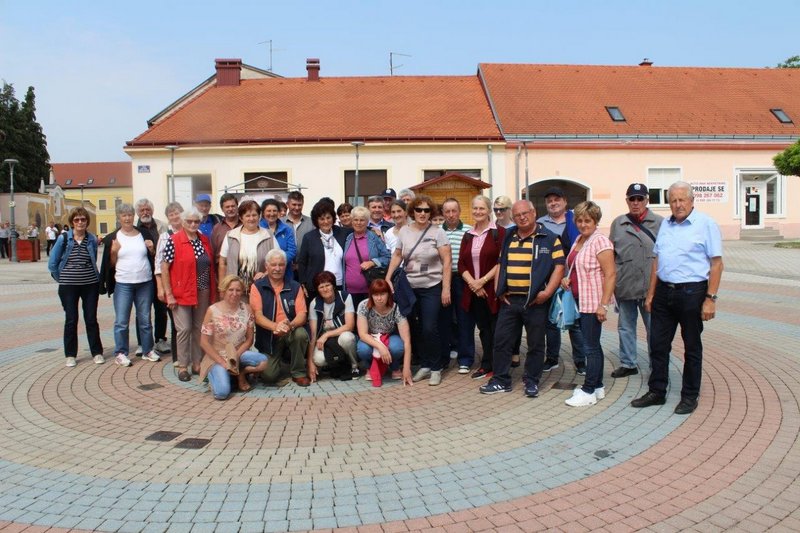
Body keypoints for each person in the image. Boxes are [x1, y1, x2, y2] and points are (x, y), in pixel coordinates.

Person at [632, 182, 723, 415]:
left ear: (692, 201)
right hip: (664, 292)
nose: (678, 204)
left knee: (691, 346)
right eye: (673, 200)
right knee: (658, 345)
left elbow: (716, 264)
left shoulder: (706, 225)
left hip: (692, 292)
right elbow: (657, 260)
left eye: (682, 200)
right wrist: (651, 294)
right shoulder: (666, 225)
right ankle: (657, 391)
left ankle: (689, 395)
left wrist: (710, 298)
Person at [479, 200, 564, 398]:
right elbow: (501, 263)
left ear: (534, 213)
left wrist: (547, 293)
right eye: (517, 215)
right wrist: (499, 290)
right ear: (513, 217)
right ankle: (500, 380)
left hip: (536, 302)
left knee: (536, 344)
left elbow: (559, 267)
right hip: (510, 301)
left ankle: (532, 381)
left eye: (525, 213)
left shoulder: (550, 238)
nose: (522, 217)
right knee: (501, 341)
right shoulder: (509, 236)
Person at [385, 194, 452, 386]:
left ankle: (436, 367)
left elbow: (447, 260)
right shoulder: (404, 231)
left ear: (431, 212)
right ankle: (425, 364)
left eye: (426, 210)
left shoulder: (438, 232)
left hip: (432, 286)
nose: (422, 213)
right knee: (414, 327)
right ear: (412, 211)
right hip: (409, 287)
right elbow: (397, 255)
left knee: (430, 327)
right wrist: (388, 277)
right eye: (419, 210)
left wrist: (446, 288)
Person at [562, 201, 616, 407]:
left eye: (588, 220)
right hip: (580, 300)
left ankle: (588, 390)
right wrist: (567, 279)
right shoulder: (580, 239)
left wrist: (604, 305)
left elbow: (611, 275)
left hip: (593, 302)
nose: (583, 224)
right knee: (592, 344)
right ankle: (598, 385)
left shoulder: (600, 242)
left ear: (595, 221)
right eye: (579, 220)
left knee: (590, 347)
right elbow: (576, 267)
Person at [609, 183, 664, 378]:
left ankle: (657, 365)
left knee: (654, 329)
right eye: (632, 198)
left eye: (640, 198)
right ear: (627, 201)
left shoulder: (660, 223)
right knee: (625, 327)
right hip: (625, 285)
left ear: (647, 200)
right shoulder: (618, 223)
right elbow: (611, 254)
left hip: (651, 288)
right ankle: (628, 363)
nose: (636, 202)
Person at [161, 207, 216, 381]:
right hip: (182, 292)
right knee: (184, 329)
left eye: (196, 221)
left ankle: (197, 363)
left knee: (199, 328)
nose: (193, 224)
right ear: (183, 222)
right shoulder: (174, 240)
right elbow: (164, 267)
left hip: (203, 290)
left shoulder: (204, 240)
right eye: (189, 221)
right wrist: (169, 294)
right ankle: (183, 366)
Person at [102, 203, 159, 367]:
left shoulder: (143, 233)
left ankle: (148, 350)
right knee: (121, 321)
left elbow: (153, 256)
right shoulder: (114, 237)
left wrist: (152, 249)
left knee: (145, 319)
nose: (127, 218)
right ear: (119, 218)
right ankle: (121, 353)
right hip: (123, 284)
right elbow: (110, 264)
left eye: (129, 215)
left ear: (134, 216)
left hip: (144, 282)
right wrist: (114, 251)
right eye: (124, 215)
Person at [537, 186, 585, 375]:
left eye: (557, 199)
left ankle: (580, 361)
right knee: (551, 322)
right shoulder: (540, 223)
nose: (553, 203)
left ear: (565, 201)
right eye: (549, 200)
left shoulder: (576, 221)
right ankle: (552, 358)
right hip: (548, 280)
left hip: (572, 280)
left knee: (575, 322)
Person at [48, 207, 104, 367]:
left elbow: (92, 259)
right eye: (77, 220)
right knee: (71, 319)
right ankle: (70, 354)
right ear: (72, 222)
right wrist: (62, 279)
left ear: (87, 221)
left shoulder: (91, 239)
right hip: (68, 286)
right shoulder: (64, 238)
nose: (80, 222)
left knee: (91, 319)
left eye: (83, 219)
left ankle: (97, 352)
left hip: (90, 285)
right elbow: (52, 263)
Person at [459, 195, 505, 380]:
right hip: (475, 291)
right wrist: (473, 283)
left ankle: (499, 366)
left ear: (488, 211)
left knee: (497, 330)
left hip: (492, 290)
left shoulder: (499, 233)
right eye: (475, 208)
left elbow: (502, 261)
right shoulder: (468, 235)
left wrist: (482, 281)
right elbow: (461, 263)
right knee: (484, 329)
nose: (478, 212)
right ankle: (487, 364)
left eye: (482, 208)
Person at [199, 275, 267, 399]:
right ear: (223, 291)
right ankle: (215, 374)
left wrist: (236, 355)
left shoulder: (247, 309)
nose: (234, 293)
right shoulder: (212, 311)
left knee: (263, 361)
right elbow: (204, 342)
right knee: (222, 393)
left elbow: (249, 339)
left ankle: (241, 373)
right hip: (217, 356)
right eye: (230, 290)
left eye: (238, 290)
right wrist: (223, 362)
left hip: (238, 352)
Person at [250, 249, 311, 386]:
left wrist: (290, 325)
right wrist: (276, 326)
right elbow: (258, 316)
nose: (277, 268)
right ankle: (280, 362)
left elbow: (302, 315)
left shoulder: (295, 286)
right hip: (269, 336)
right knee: (269, 377)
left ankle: (298, 373)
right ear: (266, 266)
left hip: (290, 330)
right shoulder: (257, 287)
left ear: (285, 266)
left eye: (281, 265)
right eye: (274, 264)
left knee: (301, 334)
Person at [356, 279, 413, 386]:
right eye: (375, 294)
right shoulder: (363, 305)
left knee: (397, 347)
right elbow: (362, 334)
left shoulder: (396, 308)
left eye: (382, 294)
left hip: (389, 336)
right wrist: (380, 347)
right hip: (370, 337)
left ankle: (395, 366)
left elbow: (407, 340)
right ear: (371, 295)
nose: (379, 298)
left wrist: (407, 368)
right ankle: (370, 367)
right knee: (363, 349)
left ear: (388, 294)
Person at [440, 197, 475, 373]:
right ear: (443, 213)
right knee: (444, 320)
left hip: (463, 280)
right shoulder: (437, 231)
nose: (451, 215)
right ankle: (444, 358)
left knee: (464, 319)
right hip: (442, 280)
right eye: (447, 211)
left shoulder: (469, 231)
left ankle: (465, 359)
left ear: (459, 212)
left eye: (454, 211)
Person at [307, 271, 360, 382]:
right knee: (319, 360)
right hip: (326, 342)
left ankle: (354, 366)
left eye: (328, 285)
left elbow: (350, 326)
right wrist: (310, 363)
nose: (325, 289)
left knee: (347, 338)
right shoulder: (314, 303)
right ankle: (333, 365)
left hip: (341, 335)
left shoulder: (344, 296)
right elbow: (313, 335)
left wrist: (326, 335)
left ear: (333, 286)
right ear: (317, 289)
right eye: (321, 287)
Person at [297, 201, 351, 302]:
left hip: (340, 285)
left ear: (333, 218)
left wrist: (373, 229)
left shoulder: (343, 233)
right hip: (317, 287)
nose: (326, 222)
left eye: (328, 218)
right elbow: (302, 262)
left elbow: (360, 230)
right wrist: (303, 283)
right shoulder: (309, 237)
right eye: (321, 219)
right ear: (316, 220)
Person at [136, 198, 170, 356]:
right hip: (142, 275)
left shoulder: (162, 226)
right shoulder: (134, 228)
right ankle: (142, 342)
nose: (145, 212)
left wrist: (153, 249)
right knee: (142, 310)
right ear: (138, 213)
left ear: (152, 210)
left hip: (160, 273)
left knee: (161, 308)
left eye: (147, 209)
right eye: (142, 210)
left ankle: (160, 339)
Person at [219, 200, 275, 293]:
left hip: (261, 290)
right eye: (247, 216)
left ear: (259, 216)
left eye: (254, 215)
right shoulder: (231, 235)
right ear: (241, 218)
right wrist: (222, 288)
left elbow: (278, 261)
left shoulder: (269, 235)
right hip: (235, 291)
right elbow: (222, 262)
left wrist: (265, 273)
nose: (251, 218)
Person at [342, 206, 391, 310]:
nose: (358, 223)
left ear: (367, 222)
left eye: (362, 220)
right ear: (352, 221)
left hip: (370, 290)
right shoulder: (348, 238)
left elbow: (387, 257)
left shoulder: (374, 238)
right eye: (356, 220)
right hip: (349, 291)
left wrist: (373, 262)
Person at [154, 202, 184, 364]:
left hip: (188, 284)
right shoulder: (165, 236)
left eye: (177, 213)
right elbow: (159, 264)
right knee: (176, 322)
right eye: (171, 214)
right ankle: (177, 357)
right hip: (172, 285)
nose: (174, 216)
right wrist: (161, 288)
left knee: (190, 323)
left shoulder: (192, 232)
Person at [260, 198, 297, 279]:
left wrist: (278, 262)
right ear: (263, 213)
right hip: (262, 273)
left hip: (284, 273)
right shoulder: (257, 228)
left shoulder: (287, 229)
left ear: (278, 212)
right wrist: (270, 265)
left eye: (275, 211)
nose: (272, 214)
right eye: (269, 211)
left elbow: (292, 251)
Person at [282, 190, 312, 267]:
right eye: (294, 204)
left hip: (306, 266)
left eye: (299, 205)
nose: (297, 208)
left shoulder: (311, 222)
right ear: (287, 204)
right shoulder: (280, 223)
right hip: (285, 267)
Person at [211, 193, 240, 261]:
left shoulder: (245, 225)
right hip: (221, 266)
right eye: (227, 207)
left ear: (237, 207)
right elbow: (213, 252)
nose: (231, 209)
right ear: (222, 209)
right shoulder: (217, 228)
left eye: (233, 206)